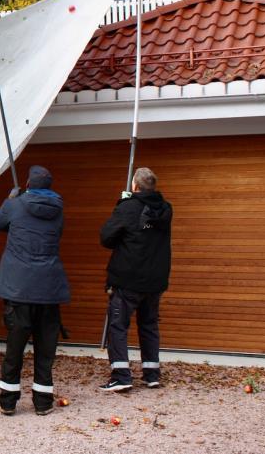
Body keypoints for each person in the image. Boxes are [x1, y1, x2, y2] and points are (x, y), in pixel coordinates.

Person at [0, 165, 70, 416]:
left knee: (14, 348)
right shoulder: (58, 210)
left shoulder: (16, 204)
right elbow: (55, 232)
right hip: (48, 288)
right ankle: (43, 402)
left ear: (28, 184)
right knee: (45, 348)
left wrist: (11, 198)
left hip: (19, 288)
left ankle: (8, 401)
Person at [99, 167, 172, 392]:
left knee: (118, 326)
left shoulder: (128, 207)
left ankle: (122, 376)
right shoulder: (166, 209)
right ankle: (152, 374)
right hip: (155, 279)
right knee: (149, 325)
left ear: (135, 186)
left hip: (128, 279)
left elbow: (106, 238)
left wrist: (122, 205)